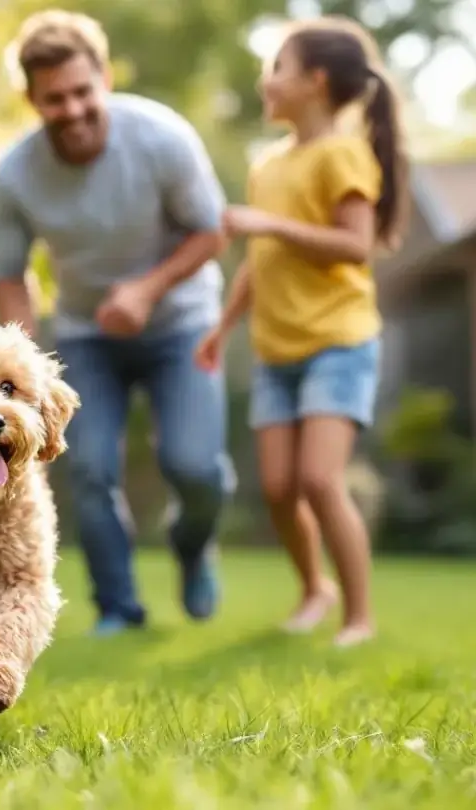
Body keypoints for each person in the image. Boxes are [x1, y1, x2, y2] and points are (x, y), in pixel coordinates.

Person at [0, 10, 234, 636]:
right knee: (89, 467)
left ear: (103, 77)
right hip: (85, 334)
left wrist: (147, 290)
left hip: (182, 323)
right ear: (31, 99)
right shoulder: (13, 175)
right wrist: (21, 360)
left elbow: (212, 232)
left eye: (80, 91)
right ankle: (118, 607)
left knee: (195, 467)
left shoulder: (161, 137)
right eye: (53, 100)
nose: (71, 110)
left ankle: (193, 544)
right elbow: (10, 277)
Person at [195, 17, 409, 647]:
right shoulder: (268, 165)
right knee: (280, 489)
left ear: (315, 82)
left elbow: (355, 245)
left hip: (338, 341)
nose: (267, 82)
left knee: (319, 480)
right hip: (275, 348)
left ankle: (359, 618)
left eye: (277, 68)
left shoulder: (342, 154)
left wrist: (269, 224)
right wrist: (222, 327)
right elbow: (261, 266)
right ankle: (316, 587)